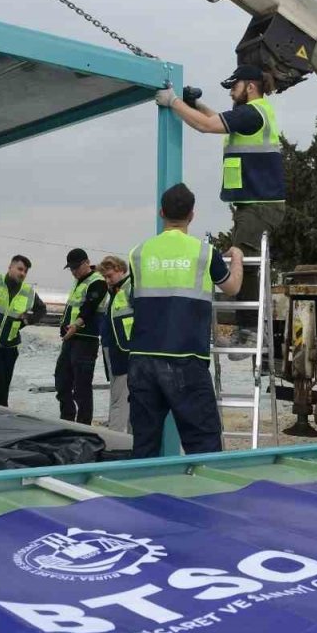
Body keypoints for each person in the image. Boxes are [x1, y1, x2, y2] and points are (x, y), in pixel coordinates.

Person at [157, 65, 283, 349]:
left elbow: (206, 126)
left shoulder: (252, 113)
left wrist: (173, 101)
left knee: (243, 262)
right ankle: (248, 330)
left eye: (234, 86)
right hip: (254, 203)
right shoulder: (254, 113)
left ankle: (249, 331)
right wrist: (195, 105)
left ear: (250, 86)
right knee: (244, 260)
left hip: (260, 204)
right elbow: (213, 118)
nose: (231, 92)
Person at [127, 183, 244, 458]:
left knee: (144, 446)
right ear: (192, 215)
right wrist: (237, 258)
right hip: (185, 358)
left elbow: (135, 299)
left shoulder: (138, 253)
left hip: (142, 359)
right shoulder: (204, 252)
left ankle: (141, 486)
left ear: (161, 213)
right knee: (203, 445)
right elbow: (233, 287)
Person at [0, 254, 47, 407]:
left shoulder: (28, 292)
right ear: (10, 267)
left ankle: (2, 412)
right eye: (20, 269)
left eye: (25, 271)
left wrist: (28, 319)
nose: (22, 273)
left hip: (10, 345)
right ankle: (2, 412)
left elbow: (41, 309)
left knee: (4, 386)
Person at [56, 248, 107, 424]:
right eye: (71, 268)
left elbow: (89, 308)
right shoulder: (78, 281)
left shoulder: (98, 282)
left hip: (86, 340)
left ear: (87, 263)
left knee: (81, 387)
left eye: (76, 267)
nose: (74, 271)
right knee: (62, 381)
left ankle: (84, 425)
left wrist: (76, 325)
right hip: (71, 340)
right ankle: (67, 419)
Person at [97, 255, 133, 433]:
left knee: (120, 399)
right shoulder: (115, 292)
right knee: (123, 397)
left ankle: (115, 438)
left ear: (120, 270)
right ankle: (129, 437)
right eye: (105, 277)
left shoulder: (129, 288)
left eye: (109, 276)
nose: (107, 280)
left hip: (123, 352)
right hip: (113, 349)